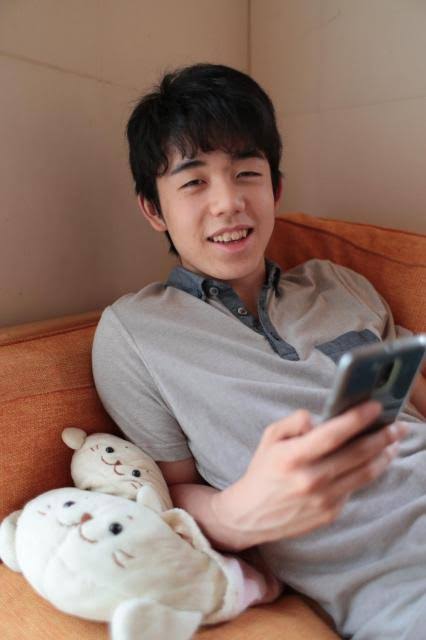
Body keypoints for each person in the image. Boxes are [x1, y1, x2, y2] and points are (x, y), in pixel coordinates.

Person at [92, 63, 426, 639]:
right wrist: (236, 514)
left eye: (247, 173)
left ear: (274, 188)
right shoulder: (134, 333)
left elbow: (415, 399)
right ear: (153, 208)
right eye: (194, 182)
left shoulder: (338, 283)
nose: (229, 203)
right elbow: (168, 487)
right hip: (396, 583)